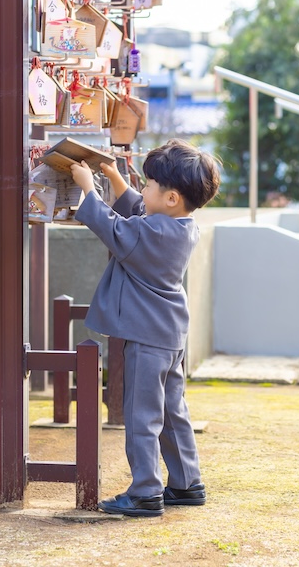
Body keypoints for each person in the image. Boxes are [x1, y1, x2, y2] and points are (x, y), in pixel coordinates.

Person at [70, 138, 221, 517]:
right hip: (168, 335)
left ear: (171, 198)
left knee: (142, 415)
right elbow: (138, 211)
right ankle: (187, 483)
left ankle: (145, 491)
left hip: (147, 337)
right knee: (171, 411)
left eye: (149, 184)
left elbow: (116, 230)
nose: (143, 189)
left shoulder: (153, 233)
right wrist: (116, 179)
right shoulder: (178, 227)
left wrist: (89, 188)